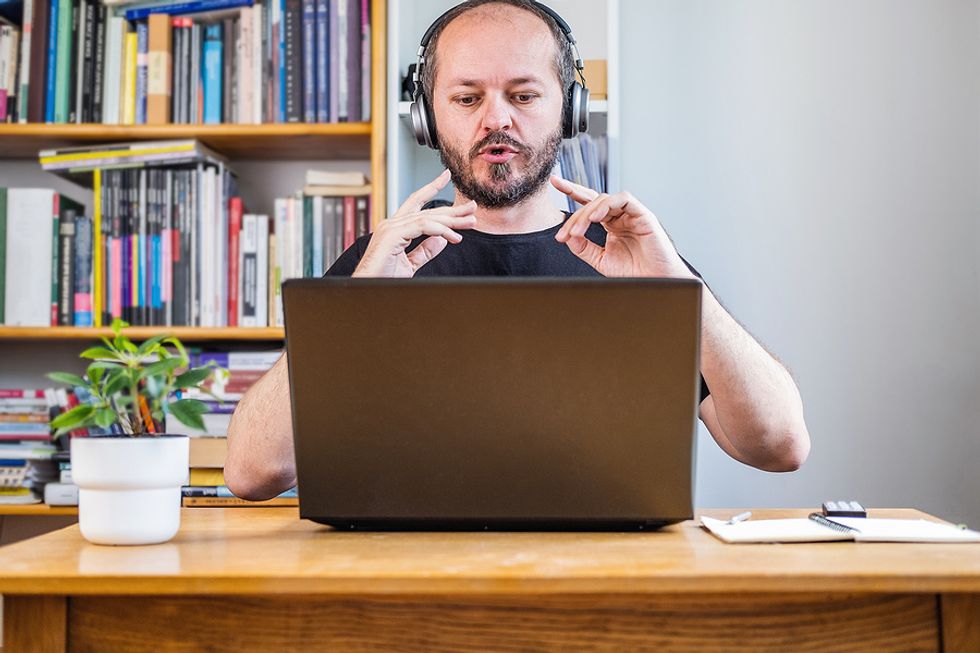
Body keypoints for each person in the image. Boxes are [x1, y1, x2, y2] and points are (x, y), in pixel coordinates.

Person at [225, 0, 810, 501]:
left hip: (604, 579)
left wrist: (679, 287)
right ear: (427, 117)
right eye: (466, 98)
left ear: (570, 110)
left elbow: (780, 446)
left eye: (523, 94)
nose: (496, 119)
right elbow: (252, 474)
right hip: (412, 581)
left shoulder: (635, 259)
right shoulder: (382, 262)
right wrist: (352, 310)